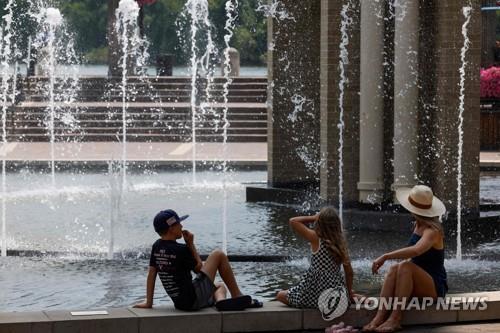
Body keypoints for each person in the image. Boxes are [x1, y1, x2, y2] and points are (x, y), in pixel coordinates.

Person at [134, 209, 262, 311]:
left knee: (219, 286)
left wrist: (148, 302)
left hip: (180, 303)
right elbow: (199, 269)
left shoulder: (156, 246)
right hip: (193, 299)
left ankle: (221, 302)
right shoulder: (181, 250)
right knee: (218, 254)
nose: (182, 226)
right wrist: (191, 245)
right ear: (171, 228)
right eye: (179, 223)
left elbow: (152, 274)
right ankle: (237, 295)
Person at [363, 185, 448, 332]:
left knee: (405, 266)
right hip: (418, 280)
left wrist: (385, 256)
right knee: (396, 267)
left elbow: (416, 251)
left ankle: (395, 319)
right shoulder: (418, 225)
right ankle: (379, 317)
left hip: (434, 286)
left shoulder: (433, 231)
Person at [276, 206, 357, 309]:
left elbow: (293, 221)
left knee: (280, 295)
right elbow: (349, 273)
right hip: (333, 296)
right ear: (337, 224)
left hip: (312, 294)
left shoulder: (316, 238)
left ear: (319, 222)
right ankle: (353, 296)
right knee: (346, 294)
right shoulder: (341, 244)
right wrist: (349, 293)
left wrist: (313, 217)